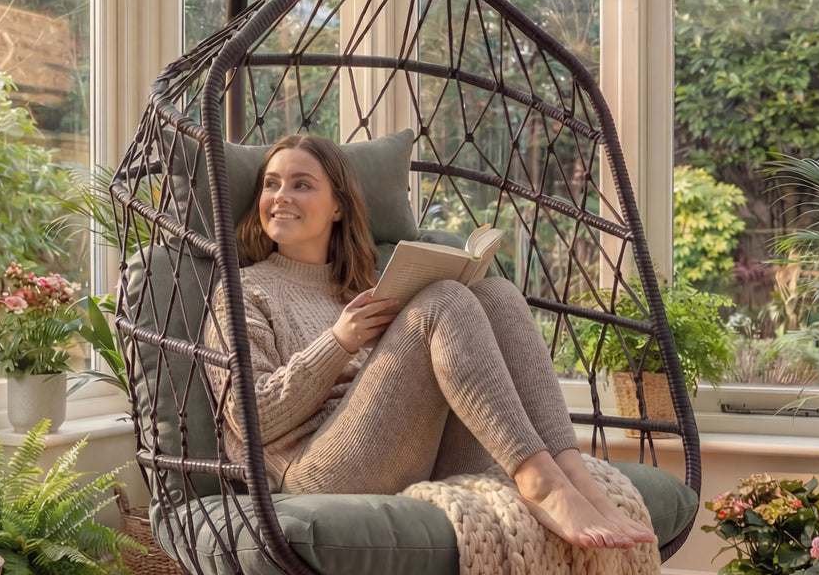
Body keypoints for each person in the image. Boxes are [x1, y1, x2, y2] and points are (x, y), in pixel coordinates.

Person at [208, 133, 652, 550]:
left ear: (338, 207)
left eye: (301, 184)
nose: (281, 196)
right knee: (442, 301)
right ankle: (540, 483)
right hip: (316, 468)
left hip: (414, 451)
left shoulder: (363, 287)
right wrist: (338, 342)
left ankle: (571, 472)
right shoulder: (241, 289)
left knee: (496, 293)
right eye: (271, 184)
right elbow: (254, 421)